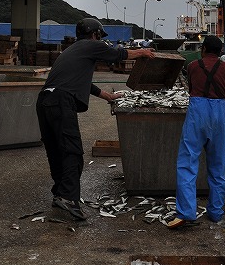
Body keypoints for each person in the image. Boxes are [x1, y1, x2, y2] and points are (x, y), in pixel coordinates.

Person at [36, 18, 155, 222]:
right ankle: (67, 197)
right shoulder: (91, 45)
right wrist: (142, 53)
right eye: (100, 36)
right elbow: (117, 54)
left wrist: (107, 96)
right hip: (61, 102)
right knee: (72, 152)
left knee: (56, 150)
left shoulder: (73, 51)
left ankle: (60, 193)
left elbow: (84, 83)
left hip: (45, 101)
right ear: (95, 34)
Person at [168, 35, 225, 228]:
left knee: (188, 162)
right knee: (217, 165)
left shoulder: (193, 67)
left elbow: (191, 88)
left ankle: (187, 212)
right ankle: (215, 212)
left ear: (203, 49)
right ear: (221, 51)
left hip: (197, 111)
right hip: (220, 113)